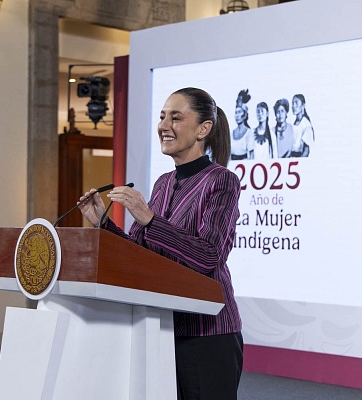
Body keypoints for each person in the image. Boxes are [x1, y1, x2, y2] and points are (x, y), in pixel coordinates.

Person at [79, 87, 243, 400]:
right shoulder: (163, 183)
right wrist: (103, 223)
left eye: (176, 118)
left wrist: (150, 218)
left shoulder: (221, 180)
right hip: (161, 328)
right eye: (162, 117)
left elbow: (209, 255)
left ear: (203, 129)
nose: (164, 125)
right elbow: (141, 254)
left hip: (206, 332)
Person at [230, 89, 251, 160]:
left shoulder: (249, 132)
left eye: (239, 112)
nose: (237, 115)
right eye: (236, 113)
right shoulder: (231, 133)